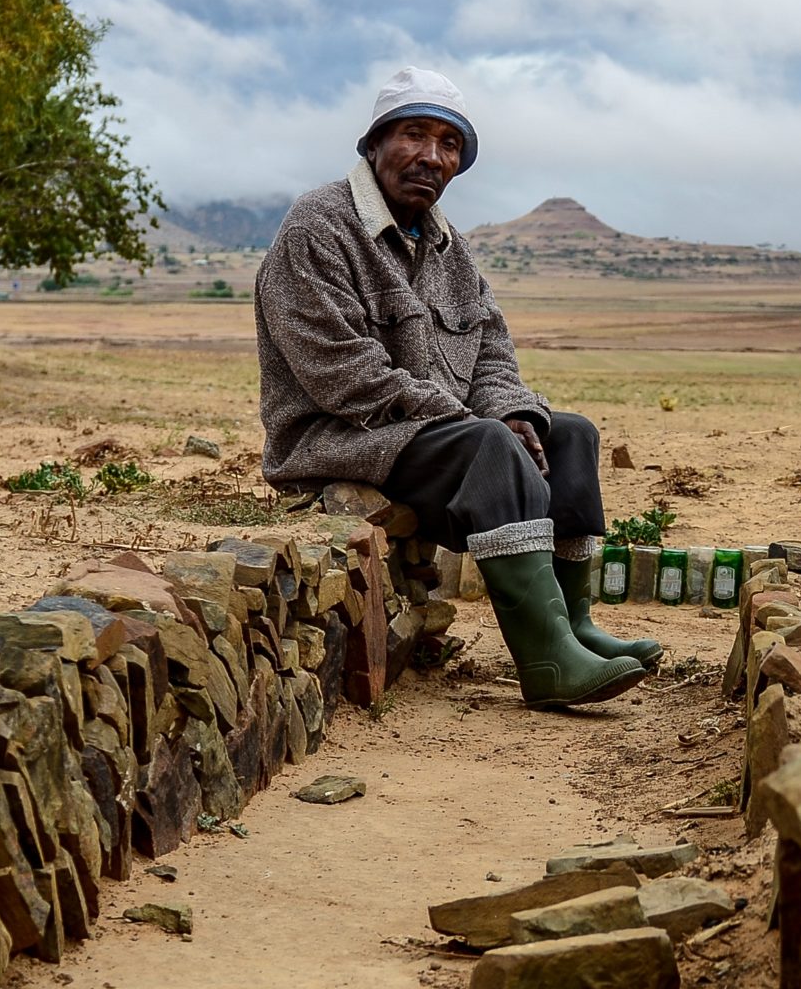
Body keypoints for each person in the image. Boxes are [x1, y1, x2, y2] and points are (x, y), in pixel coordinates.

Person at [253, 67, 656, 708]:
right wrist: (469, 421)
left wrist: (512, 411)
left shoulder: (448, 246)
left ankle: (572, 625)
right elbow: (341, 374)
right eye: (415, 134)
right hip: (339, 436)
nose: (432, 157)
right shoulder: (319, 227)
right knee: (490, 445)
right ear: (375, 144)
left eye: (449, 144)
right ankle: (547, 661)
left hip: (433, 439)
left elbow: (493, 349)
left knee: (569, 433)